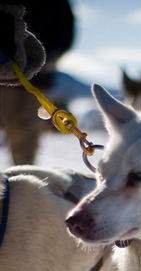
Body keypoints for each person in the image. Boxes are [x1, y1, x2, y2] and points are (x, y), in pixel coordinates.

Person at [0, 1, 75, 164]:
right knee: (10, 123)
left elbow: (66, 35)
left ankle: (25, 167)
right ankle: (18, 166)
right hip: (7, 71)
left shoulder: (59, 5)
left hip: (39, 75)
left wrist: (52, 58)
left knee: (29, 125)